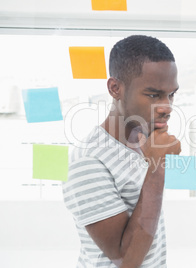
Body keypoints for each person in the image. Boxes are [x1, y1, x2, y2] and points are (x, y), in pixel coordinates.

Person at [62, 35, 181, 268]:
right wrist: (157, 167)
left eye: (171, 94)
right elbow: (126, 260)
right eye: (153, 94)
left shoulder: (143, 142)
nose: (167, 107)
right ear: (115, 88)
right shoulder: (88, 161)